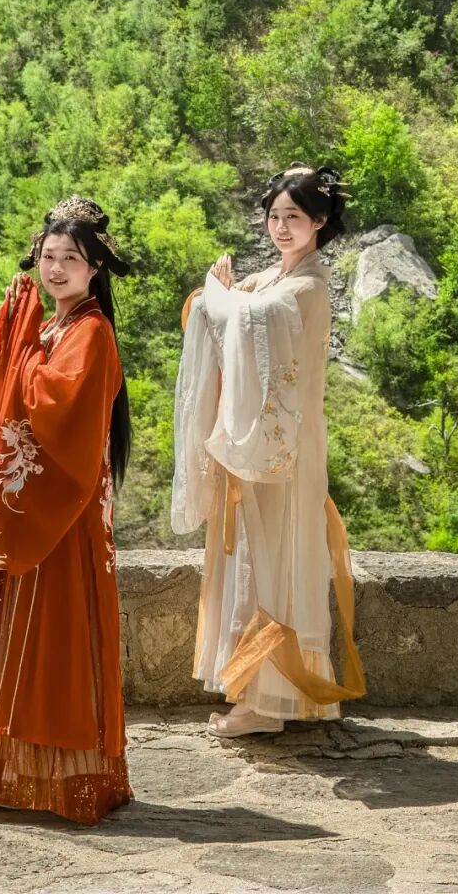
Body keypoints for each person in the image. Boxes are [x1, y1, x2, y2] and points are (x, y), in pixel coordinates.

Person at [0, 197, 132, 823]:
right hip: (32, 512)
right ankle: (14, 772)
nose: (56, 268)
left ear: (94, 268)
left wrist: (18, 346)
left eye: (71, 258)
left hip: (62, 516)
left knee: (53, 638)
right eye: (49, 256)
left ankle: (57, 778)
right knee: (19, 636)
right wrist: (19, 340)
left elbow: (56, 406)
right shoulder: (54, 328)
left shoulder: (91, 333)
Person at [172, 163, 365, 736]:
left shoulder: (306, 288)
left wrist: (219, 294)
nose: (281, 227)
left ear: (319, 222)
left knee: (276, 556)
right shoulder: (271, 280)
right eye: (274, 216)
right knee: (253, 555)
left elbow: (242, 318)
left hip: (286, 449)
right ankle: (253, 690)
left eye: (294, 217)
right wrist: (220, 297)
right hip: (261, 443)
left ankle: (270, 700)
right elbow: (228, 315)